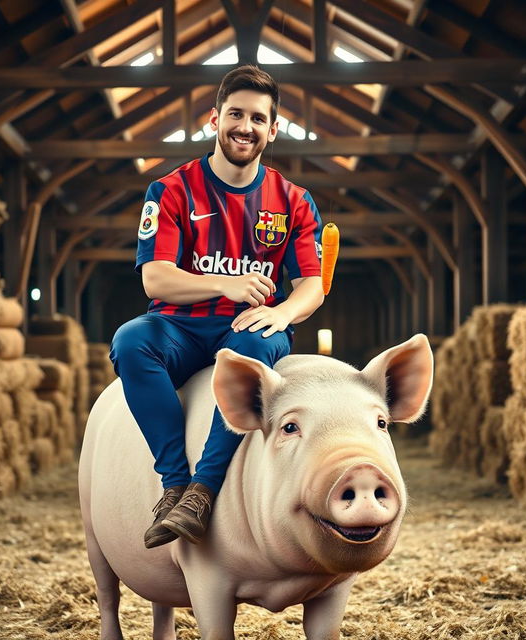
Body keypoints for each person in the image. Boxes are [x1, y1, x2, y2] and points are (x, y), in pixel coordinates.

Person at [110, 64, 325, 549]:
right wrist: (223, 283)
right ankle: (174, 484)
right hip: (179, 328)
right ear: (214, 119)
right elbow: (154, 276)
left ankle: (203, 491)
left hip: (248, 328)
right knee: (130, 340)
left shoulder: (292, 200)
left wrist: (284, 312)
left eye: (256, 118)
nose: (244, 127)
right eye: (235, 114)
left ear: (272, 129)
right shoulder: (168, 190)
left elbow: (312, 285)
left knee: (255, 337)